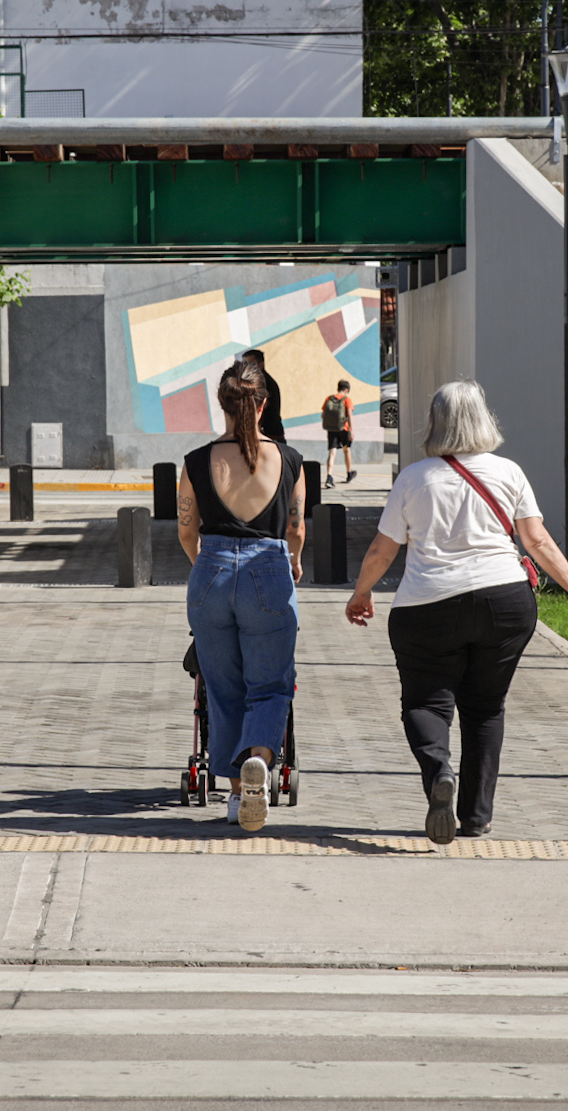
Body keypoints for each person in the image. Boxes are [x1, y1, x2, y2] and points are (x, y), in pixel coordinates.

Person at [344, 380, 568, 845]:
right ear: (484, 419)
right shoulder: (509, 472)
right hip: (504, 603)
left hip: (427, 606)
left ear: (434, 423)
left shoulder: (413, 478)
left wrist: (361, 593)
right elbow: (537, 541)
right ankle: (476, 816)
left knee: (425, 704)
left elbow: (382, 550)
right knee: (485, 708)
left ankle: (439, 771)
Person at [176, 361, 305, 833]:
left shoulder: (196, 461)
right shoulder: (289, 460)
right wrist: (293, 564)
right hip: (267, 571)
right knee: (270, 685)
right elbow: (295, 529)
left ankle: (235, 795)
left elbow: (186, 531)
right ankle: (260, 763)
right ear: (263, 404)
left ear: (222, 404)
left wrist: (207, 569)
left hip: (209, 574)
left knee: (222, 689)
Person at [239, 347, 284, 442]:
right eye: (244, 364)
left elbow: (269, 414)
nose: (246, 368)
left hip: (270, 436)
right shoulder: (254, 382)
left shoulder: (265, 384)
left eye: (250, 364)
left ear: (261, 364)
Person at [320, 379, 356, 485]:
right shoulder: (347, 399)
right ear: (347, 390)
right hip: (344, 428)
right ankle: (349, 473)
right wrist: (351, 429)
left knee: (332, 453)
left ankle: (329, 476)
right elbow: (349, 414)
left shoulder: (329, 398)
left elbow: (323, 415)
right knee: (346, 450)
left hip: (332, 429)